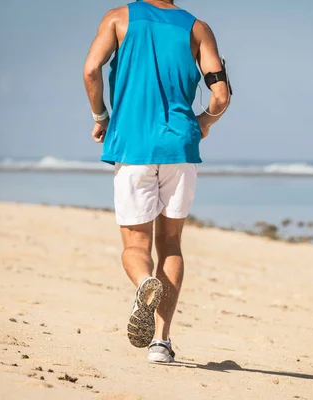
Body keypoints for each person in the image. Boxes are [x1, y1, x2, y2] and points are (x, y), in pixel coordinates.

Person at [83, 0, 230, 363]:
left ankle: (142, 284)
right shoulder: (197, 28)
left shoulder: (118, 18)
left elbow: (90, 70)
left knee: (136, 245)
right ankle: (160, 343)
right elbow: (221, 95)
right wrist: (205, 122)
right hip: (180, 146)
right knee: (171, 243)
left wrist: (101, 115)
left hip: (132, 146)